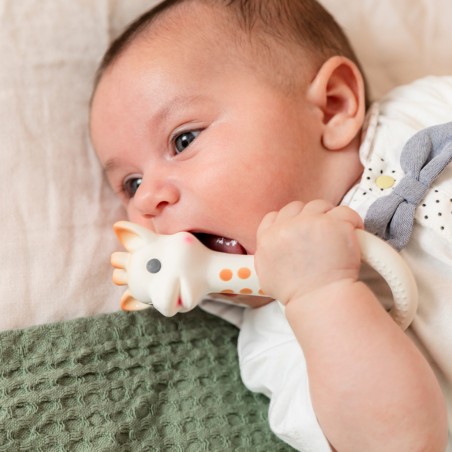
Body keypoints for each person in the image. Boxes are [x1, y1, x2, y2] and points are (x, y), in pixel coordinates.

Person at [89, 0, 452, 450]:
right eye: (130, 182)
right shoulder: (283, 337)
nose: (146, 199)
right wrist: (319, 295)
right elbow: (402, 443)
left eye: (183, 140)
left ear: (332, 107)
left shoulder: (424, 109)